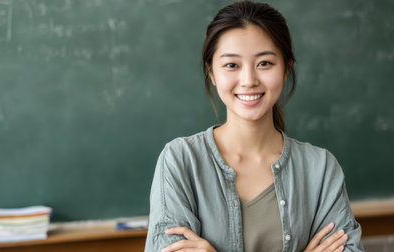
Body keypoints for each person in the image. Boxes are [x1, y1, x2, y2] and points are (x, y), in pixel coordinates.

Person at [145, 1, 363, 251]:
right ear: (212, 73)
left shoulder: (320, 168)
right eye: (231, 65)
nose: (249, 80)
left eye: (264, 63)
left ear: (286, 69)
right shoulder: (180, 161)